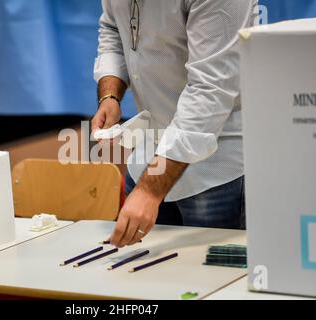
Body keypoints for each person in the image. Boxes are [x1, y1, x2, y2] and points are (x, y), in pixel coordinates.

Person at [91, 0, 258, 248]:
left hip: (216, 172)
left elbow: (210, 90)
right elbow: (114, 29)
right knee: (144, 282)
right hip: (148, 160)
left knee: (208, 282)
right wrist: (110, 94)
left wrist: (149, 191)